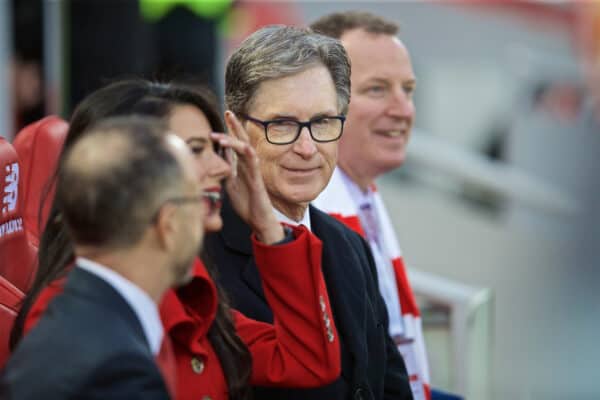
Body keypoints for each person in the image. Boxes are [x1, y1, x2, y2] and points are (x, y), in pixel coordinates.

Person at [9, 80, 341, 400]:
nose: (224, 169)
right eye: (196, 150)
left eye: (216, 148)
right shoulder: (80, 326)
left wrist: (268, 224)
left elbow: (308, 361)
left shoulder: (184, 295)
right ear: (125, 170)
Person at [205, 25, 413, 400]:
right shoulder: (199, 249)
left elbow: (390, 387)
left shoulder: (349, 245)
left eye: (322, 123)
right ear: (234, 128)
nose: (307, 148)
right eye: (282, 124)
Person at [1, 117, 201, 399]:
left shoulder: (82, 324)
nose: (207, 219)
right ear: (168, 223)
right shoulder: (117, 371)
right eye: (199, 201)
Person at [310, 11, 430, 399]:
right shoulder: (305, 219)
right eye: (377, 89)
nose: (403, 110)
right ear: (319, 102)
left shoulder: (362, 195)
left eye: (407, 90)